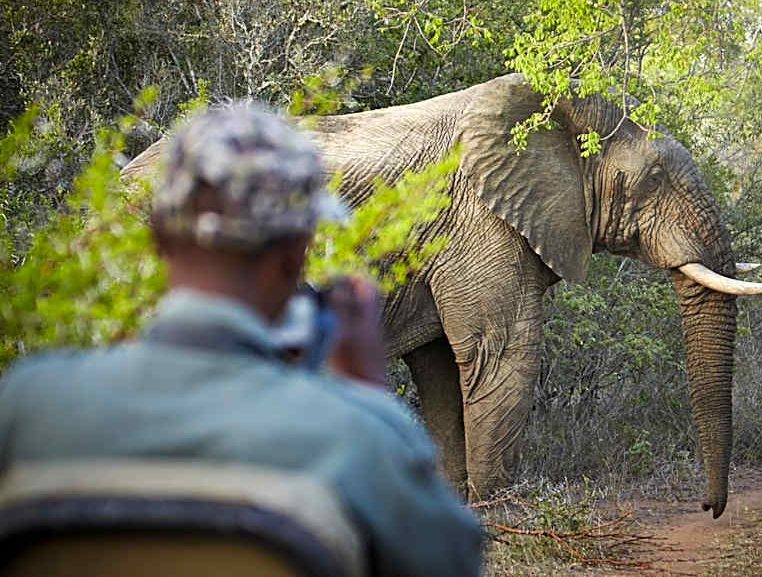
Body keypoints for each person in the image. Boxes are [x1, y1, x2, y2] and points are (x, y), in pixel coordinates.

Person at [0, 105, 482, 576]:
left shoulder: (24, 404)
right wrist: (364, 395)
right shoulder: (360, 438)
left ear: (157, 236)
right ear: (297, 253)